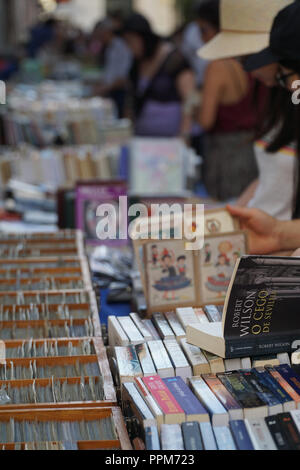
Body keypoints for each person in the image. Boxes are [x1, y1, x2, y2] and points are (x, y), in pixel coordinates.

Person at [198, 0, 296, 218]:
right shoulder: (278, 99)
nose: (246, 67)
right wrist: (231, 215)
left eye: (247, 58)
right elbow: (268, 178)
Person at [196, 0, 264, 202]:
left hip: (226, 154)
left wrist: (195, 110)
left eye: (203, 29)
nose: (201, 36)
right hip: (250, 151)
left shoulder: (217, 66)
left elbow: (206, 121)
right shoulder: (244, 61)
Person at [122, 13, 196, 138]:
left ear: (144, 38)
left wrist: (184, 135)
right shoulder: (137, 62)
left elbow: (189, 100)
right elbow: (131, 97)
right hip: (142, 136)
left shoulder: (175, 59)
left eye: (131, 41)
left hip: (171, 139)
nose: (129, 47)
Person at [93, 19, 132, 118]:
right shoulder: (110, 47)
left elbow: (123, 76)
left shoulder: (121, 47)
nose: (99, 37)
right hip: (110, 89)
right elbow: (109, 72)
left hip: (118, 92)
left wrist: (104, 88)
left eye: (100, 34)